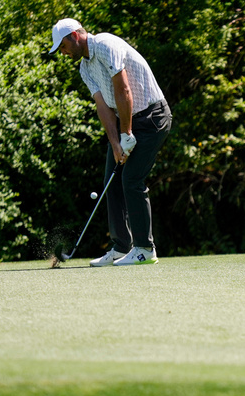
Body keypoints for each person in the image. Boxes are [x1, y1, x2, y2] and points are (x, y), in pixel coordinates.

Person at [48, 18, 172, 266]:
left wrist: (126, 133)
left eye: (62, 46)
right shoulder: (85, 67)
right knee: (112, 182)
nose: (62, 53)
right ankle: (121, 247)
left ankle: (145, 249)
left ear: (74, 36)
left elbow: (123, 89)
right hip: (130, 119)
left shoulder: (105, 44)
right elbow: (103, 107)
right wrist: (116, 143)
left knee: (131, 179)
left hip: (152, 116)